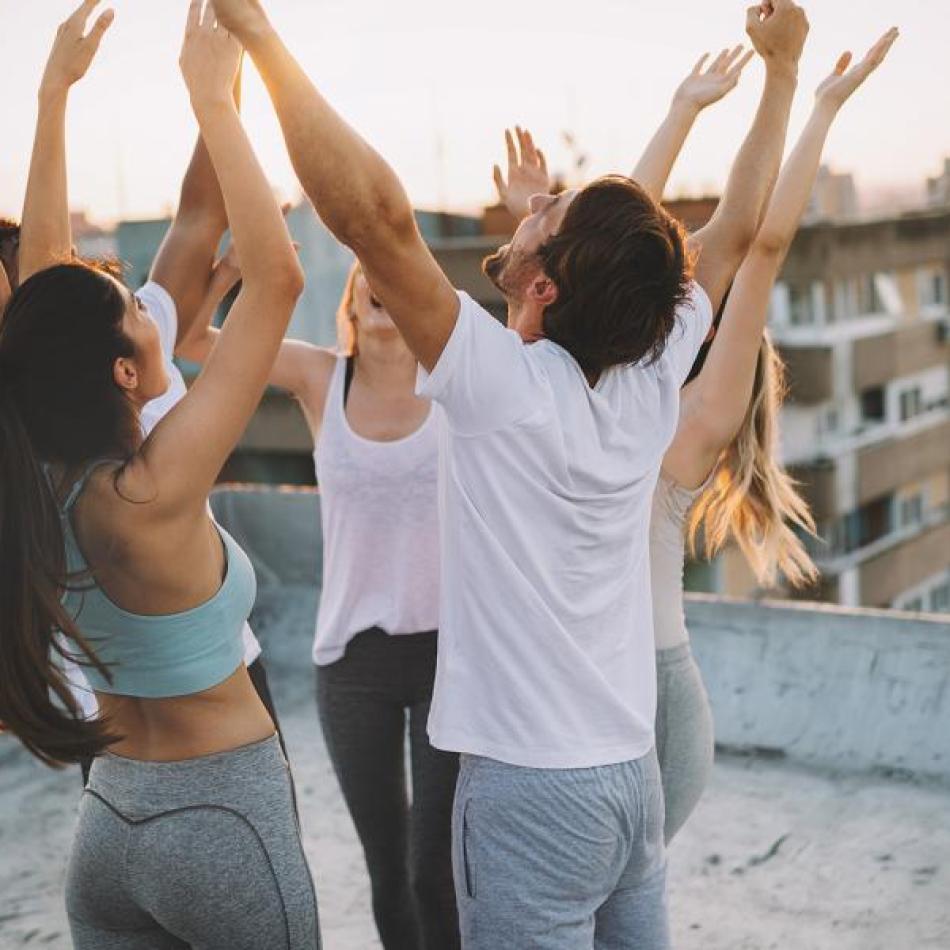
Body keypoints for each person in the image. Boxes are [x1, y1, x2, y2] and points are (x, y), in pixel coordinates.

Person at [210, 0, 806, 946]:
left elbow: (374, 219)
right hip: (629, 780)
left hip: (530, 795)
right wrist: (783, 73)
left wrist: (261, 39)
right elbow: (734, 230)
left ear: (545, 285)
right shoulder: (648, 373)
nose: (530, 206)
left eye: (545, 214)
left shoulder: (500, 387)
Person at [494, 27, 898, 845]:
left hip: (652, 702)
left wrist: (805, 94)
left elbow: (760, 241)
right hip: (566, 699)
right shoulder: (596, 388)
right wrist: (678, 114)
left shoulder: (683, 431)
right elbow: (604, 257)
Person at [0, 3, 317, 947]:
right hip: (220, 816)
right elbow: (279, 279)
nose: (151, 305)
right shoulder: (150, 489)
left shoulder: (31, 473)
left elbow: (44, 294)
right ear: (124, 373)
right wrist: (211, 99)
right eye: (135, 309)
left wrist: (53, 95)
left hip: (109, 822)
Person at [179, 257, 460, 950]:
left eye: (394, 273)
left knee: (435, 868)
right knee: (387, 865)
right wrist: (227, 276)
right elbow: (192, 342)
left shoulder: (454, 378)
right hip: (351, 663)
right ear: (351, 303)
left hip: (450, 657)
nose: (382, 282)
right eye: (369, 273)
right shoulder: (319, 377)